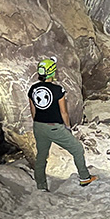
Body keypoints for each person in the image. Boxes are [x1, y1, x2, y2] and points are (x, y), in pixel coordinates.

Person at [28, 57, 98, 190]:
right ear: (52, 72)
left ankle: (41, 186)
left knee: (41, 156)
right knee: (77, 149)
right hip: (54, 127)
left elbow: (33, 112)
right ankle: (84, 178)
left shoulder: (33, 89)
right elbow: (64, 112)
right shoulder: (57, 90)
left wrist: (40, 124)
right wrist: (67, 127)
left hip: (39, 126)